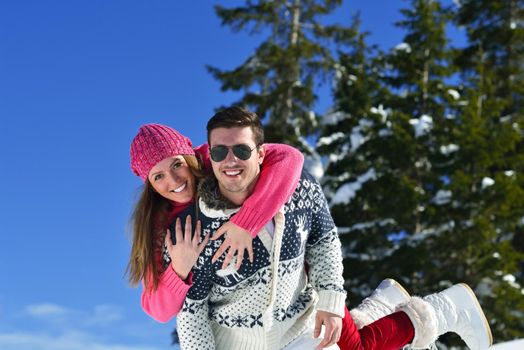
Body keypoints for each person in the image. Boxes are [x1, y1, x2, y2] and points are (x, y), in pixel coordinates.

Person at [172, 106, 493, 350]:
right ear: (209, 158)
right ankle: (385, 304)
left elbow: (324, 243)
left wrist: (330, 302)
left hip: (300, 327)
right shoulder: (196, 229)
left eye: (241, 150)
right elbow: (191, 311)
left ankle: (445, 309)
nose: (231, 160)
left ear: (260, 153)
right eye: (220, 151)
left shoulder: (298, 191)